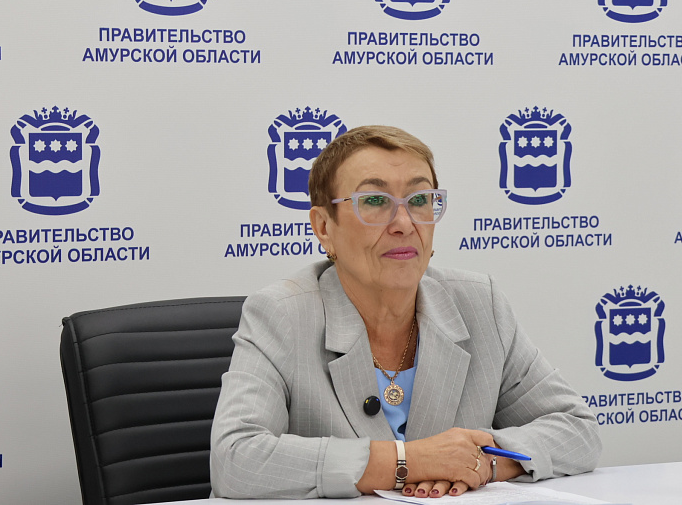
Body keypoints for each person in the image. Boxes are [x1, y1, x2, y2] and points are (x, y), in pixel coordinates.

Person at [210, 126, 601, 499]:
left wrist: (486, 461)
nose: (404, 223)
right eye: (374, 201)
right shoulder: (281, 315)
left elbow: (577, 429)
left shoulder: (480, 304)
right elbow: (235, 459)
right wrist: (408, 461)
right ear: (324, 227)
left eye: (419, 200)